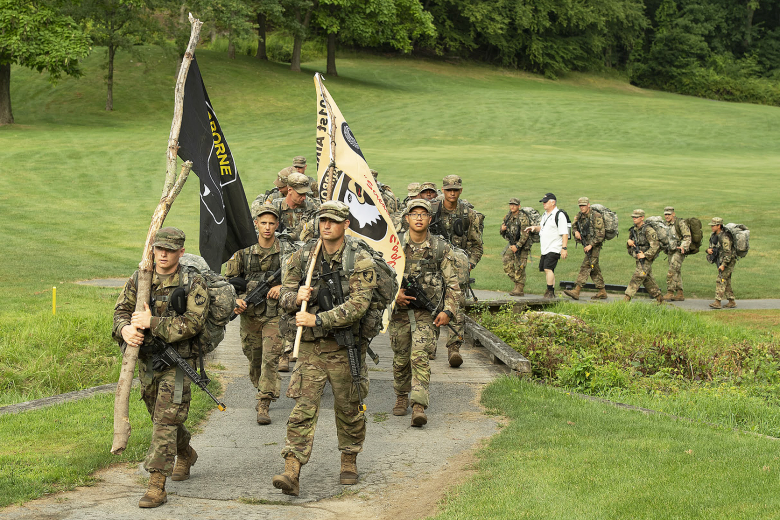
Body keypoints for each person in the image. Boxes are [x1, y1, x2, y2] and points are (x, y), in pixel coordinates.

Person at [272, 200, 376, 496]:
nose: (326, 225)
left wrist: (318, 318)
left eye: (333, 220)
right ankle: (292, 469)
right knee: (303, 408)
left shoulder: (360, 260)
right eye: (322, 220)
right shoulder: (303, 255)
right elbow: (282, 294)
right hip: (311, 349)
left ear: (346, 224)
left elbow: (359, 306)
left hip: (346, 347)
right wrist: (295, 297)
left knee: (349, 408)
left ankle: (349, 459)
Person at [112, 227, 209, 508]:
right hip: (148, 362)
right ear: (153, 249)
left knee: (165, 419)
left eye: (170, 250)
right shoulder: (141, 278)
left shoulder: (193, 282)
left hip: (178, 363)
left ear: (181, 251)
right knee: (161, 417)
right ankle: (185, 452)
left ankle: (156, 485)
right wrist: (126, 329)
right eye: (159, 249)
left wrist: (151, 322)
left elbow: (194, 323)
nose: (163, 254)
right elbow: (120, 311)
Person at [390, 200, 461, 426]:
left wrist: (448, 311)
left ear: (430, 219)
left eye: (423, 214)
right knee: (401, 359)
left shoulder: (440, 248)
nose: (419, 218)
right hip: (399, 313)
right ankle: (401, 396)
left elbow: (453, 284)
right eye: (414, 214)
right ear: (407, 218)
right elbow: (379, 279)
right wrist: (395, 296)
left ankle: (418, 405)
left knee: (419, 356)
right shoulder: (395, 246)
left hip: (427, 314)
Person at [225, 204, 291, 425]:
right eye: (263, 223)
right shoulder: (243, 251)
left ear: (277, 225)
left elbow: (297, 279)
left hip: (275, 314)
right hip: (250, 315)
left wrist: (282, 287)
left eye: (272, 223)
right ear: (256, 224)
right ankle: (262, 386)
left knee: (270, 358)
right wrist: (237, 299)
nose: (268, 227)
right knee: (254, 359)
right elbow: (229, 283)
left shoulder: (286, 252)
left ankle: (264, 402)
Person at [429, 174, 483, 367]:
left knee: (457, 307)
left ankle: (454, 348)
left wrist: (469, 264)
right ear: (442, 191)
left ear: (460, 191)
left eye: (455, 189)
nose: (452, 193)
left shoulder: (468, 214)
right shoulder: (432, 211)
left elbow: (477, 246)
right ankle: (430, 345)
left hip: (457, 270)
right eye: (448, 189)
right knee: (432, 304)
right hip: (433, 267)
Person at [525, 192, 568, 299]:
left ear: (553, 202)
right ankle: (551, 292)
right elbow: (543, 227)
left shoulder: (559, 215)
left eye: (545, 202)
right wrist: (534, 228)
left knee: (547, 268)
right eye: (543, 202)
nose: (543, 204)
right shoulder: (545, 215)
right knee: (549, 270)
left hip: (554, 247)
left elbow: (564, 233)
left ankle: (549, 291)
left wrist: (564, 248)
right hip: (545, 247)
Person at [565, 197, 607, 300]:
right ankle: (602, 291)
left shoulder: (596, 216)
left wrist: (591, 245)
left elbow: (601, 234)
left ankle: (577, 290)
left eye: (584, 205)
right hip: (586, 244)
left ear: (588, 205)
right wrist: (575, 232)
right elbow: (574, 226)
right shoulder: (580, 215)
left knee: (586, 266)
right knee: (594, 268)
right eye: (580, 205)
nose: (582, 207)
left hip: (595, 245)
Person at [624, 209, 664, 303]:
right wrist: (629, 242)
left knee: (637, 276)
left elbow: (655, 246)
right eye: (633, 217)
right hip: (639, 256)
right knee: (647, 279)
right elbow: (632, 242)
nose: (634, 219)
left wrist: (645, 255)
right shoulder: (634, 230)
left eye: (636, 217)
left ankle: (626, 299)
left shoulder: (649, 230)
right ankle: (659, 298)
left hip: (646, 258)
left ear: (642, 218)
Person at [500, 198, 532, 297]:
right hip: (512, 244)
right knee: (506, 262)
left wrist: (517, 246)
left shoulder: (523, 217)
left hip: (522, 246)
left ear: (519, 206)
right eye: (511, 204)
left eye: (514, 205)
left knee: (520, 267)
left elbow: (525, 234)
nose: (512, 206)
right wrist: (502, 229)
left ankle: (519, 288)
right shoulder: (508, 216)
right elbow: (504, 233)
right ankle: (517, 283)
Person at [705, 217, 737, 309]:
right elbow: (713, 247)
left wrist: (723, 264)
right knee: (726, 281)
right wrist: (708, 250)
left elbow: (728, 252)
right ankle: (731, 301)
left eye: (713, 225)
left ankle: (717, 301)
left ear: (719, 226)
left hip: (728, 261)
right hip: (720, 260)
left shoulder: (725, 237)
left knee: (721, 279)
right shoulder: (714, 235)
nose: (712, 227)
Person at [662, 206, 692, 301]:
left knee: (672, 270)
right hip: (670, 251)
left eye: (669, 214)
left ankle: (670, 292)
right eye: (665, 214)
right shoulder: (665, 225)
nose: (667, 216)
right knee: (677, 271)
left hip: (679, 251)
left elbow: (687, 236)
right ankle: (680, 293)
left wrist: (683, 246)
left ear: (673, 214)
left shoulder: (680, 223)